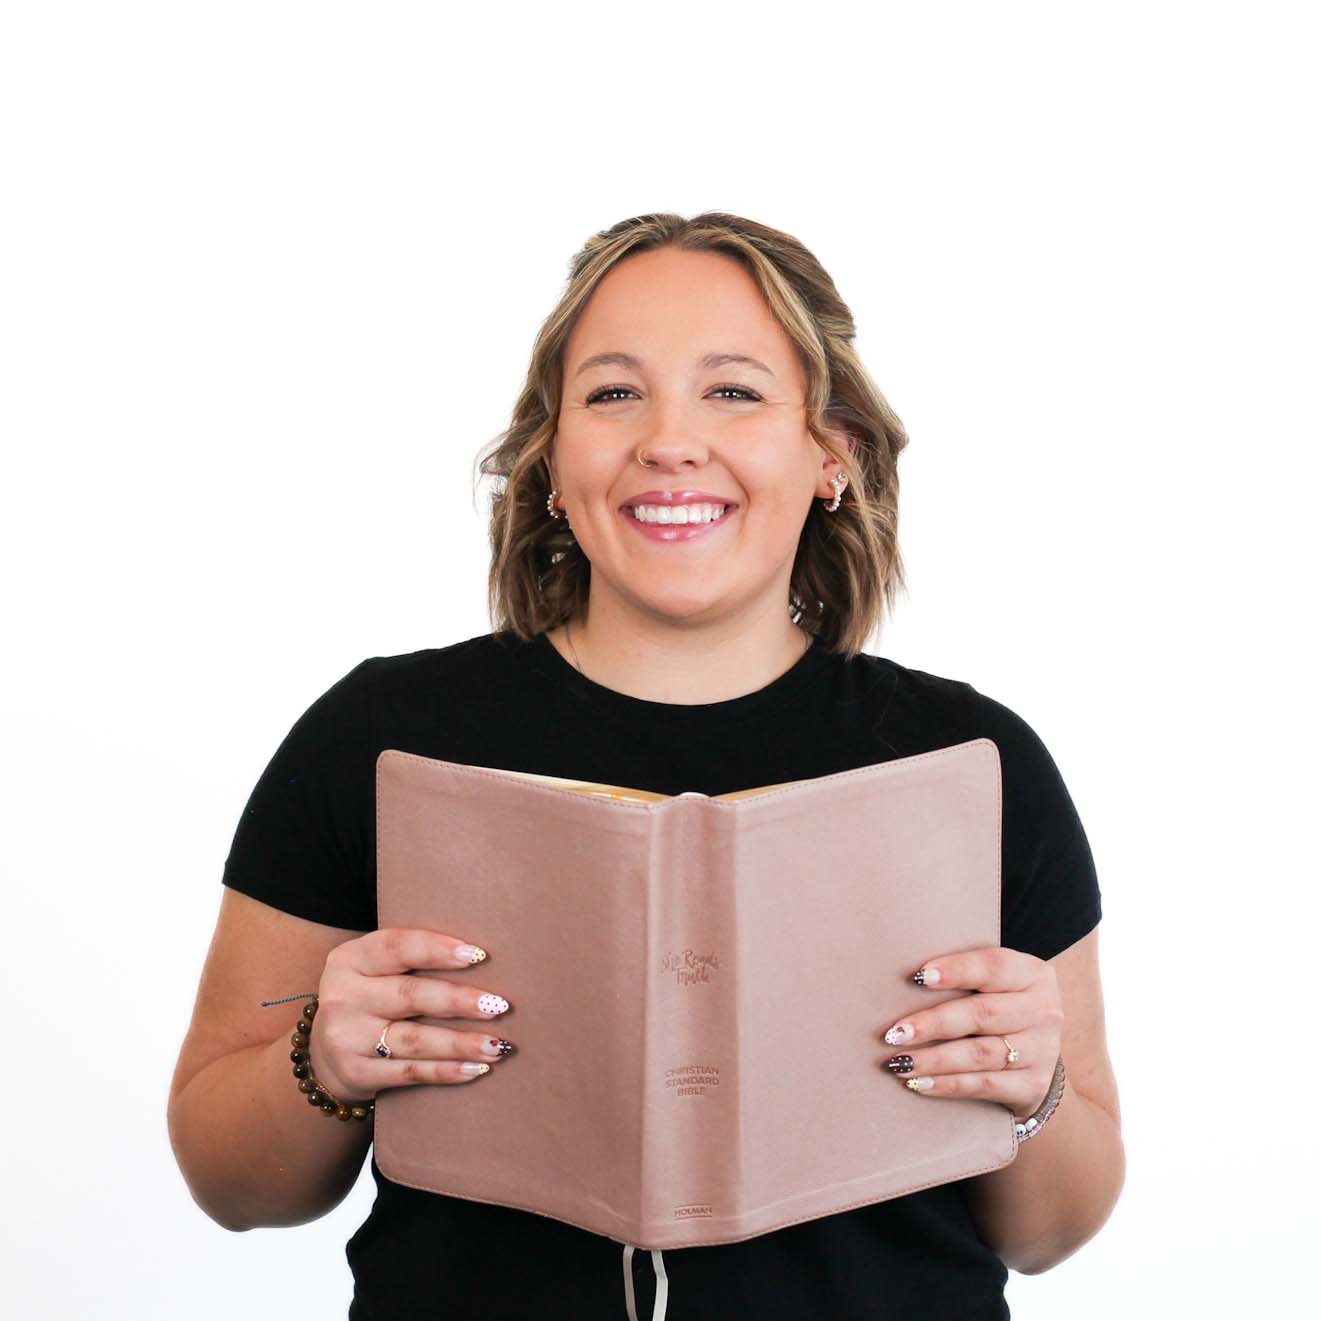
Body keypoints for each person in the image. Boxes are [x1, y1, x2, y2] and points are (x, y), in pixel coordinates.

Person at [167, 212, 1125, 1320]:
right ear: (552, 459)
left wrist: (1032, 1088)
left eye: (733, 391)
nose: (670, 441)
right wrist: (318, 1062)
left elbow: (1051, 1232)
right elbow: (231, 1184)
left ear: (831, 454)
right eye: (614, 392)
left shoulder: (972, 764)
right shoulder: (380, 735)